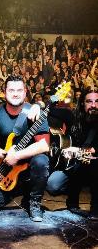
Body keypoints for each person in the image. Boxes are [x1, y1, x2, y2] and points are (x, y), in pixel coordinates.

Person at [0, 75, 50, 222]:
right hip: (10, 168)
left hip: (30, 165)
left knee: (41, 161)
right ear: (4, 92)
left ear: (25, 92)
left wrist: (17, 155)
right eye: (11, 90)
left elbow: (44, 145)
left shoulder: (35, 112)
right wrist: (5, 154)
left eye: (19, 90)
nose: (15, 93)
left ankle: (34, 202)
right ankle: (17, 189)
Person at [46, 87, 97, 221]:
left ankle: (96, 208)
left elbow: (94, 151)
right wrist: (37, 105)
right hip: (75, 166)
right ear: (82, 103)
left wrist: (76, 150)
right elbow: (47, 111)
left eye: (97, 102)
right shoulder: (72, 116)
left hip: (94, 165)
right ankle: (72, 202)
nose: (93, 105)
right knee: (53, 185)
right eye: (89, 101)